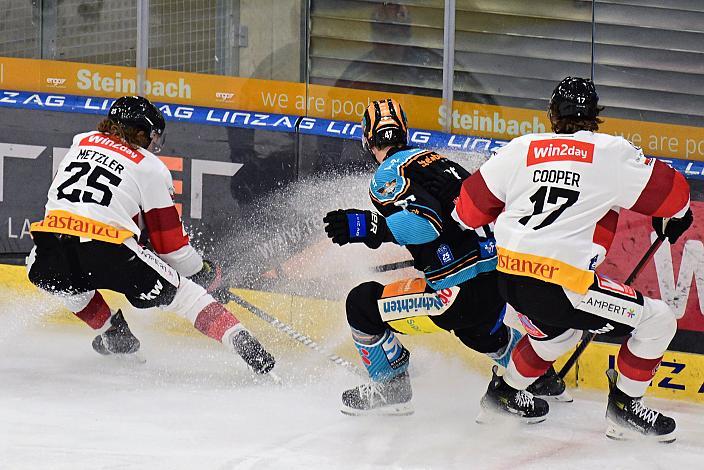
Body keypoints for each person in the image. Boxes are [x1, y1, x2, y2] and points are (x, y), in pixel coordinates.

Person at [451, 77, 692, 441]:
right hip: (562, 286)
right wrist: (677, 214)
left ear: (552, 114)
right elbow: (675, 195)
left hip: (511, 280)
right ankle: (625, 406)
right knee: (658, 322)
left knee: (557, 335)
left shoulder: (521, 148)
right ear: (595, 116)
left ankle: (504, 393)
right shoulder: (609, 152)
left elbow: (466, 212)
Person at [323, 98, 567, 417]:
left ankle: (390, 385)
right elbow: (480, 209)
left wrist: (370, 226)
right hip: (494, 280)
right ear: (405, 131)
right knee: (480, 333)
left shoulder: (387, 174)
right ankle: (538, 376)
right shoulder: (440, 161)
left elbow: (427, 225)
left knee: (361, 303)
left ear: (367, 140)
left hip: (455, 293)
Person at [26, 96, 275, 375]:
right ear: (140, 133)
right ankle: (240, 340)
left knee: (61, 280)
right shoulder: (149, 166)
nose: (154, 143)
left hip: (49, 250)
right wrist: (205, 275)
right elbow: (172, 249)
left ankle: (113, 333)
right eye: (152, 135)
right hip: (110, 251)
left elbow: (89, 207)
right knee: (187, 296)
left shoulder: (81, 141)